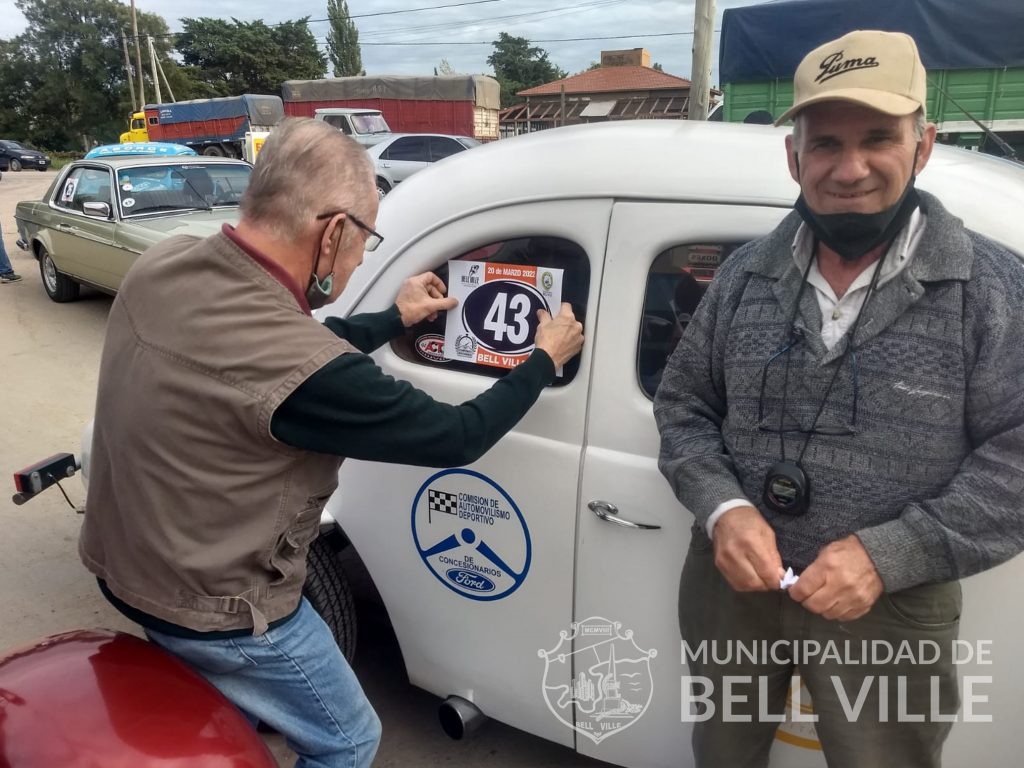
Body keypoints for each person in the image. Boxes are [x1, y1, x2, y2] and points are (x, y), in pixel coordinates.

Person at [79, 118, 584, 768]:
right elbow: (459, 435)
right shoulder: (303, 363)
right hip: (213, 606)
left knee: (220, 712)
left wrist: (394, 319)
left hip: (122, 569)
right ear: (334, 231)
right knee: (350, 740)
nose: (356, 258)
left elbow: (269, 359)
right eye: (364, 241)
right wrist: (543, 358)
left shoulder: (164, 262)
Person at [655, 30, 1024, 768]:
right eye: (825, 144)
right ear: (795, 157)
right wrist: (723, 509)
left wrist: (889, 555)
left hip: (891, 604)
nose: (849, 168)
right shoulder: (742, 278)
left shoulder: (992, 288)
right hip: (735, 592)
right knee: (723, 753)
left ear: (923, 146)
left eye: (878, 139)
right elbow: (684, 406)